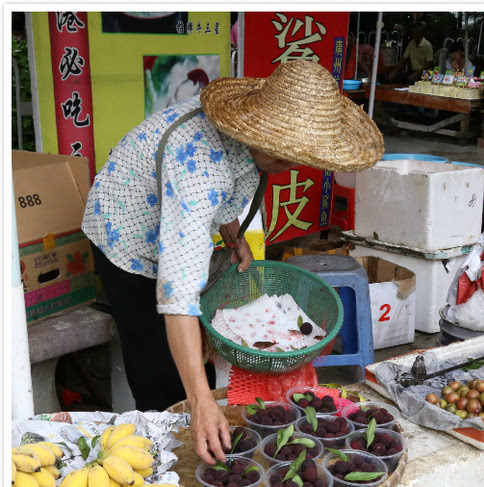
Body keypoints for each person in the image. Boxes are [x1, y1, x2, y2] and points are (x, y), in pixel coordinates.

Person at [82, 60, 383, 465]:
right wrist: (200, 400)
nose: (294, 165)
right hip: (126, 235)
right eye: (285, 156)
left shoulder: (242, 146)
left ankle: (197, 410)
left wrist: (232, 232)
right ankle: (164, 454)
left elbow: (226, 190)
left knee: (193, 371)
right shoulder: (199, 169)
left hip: (172, 213)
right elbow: (178, 297)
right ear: (256, 132)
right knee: (157, 370)